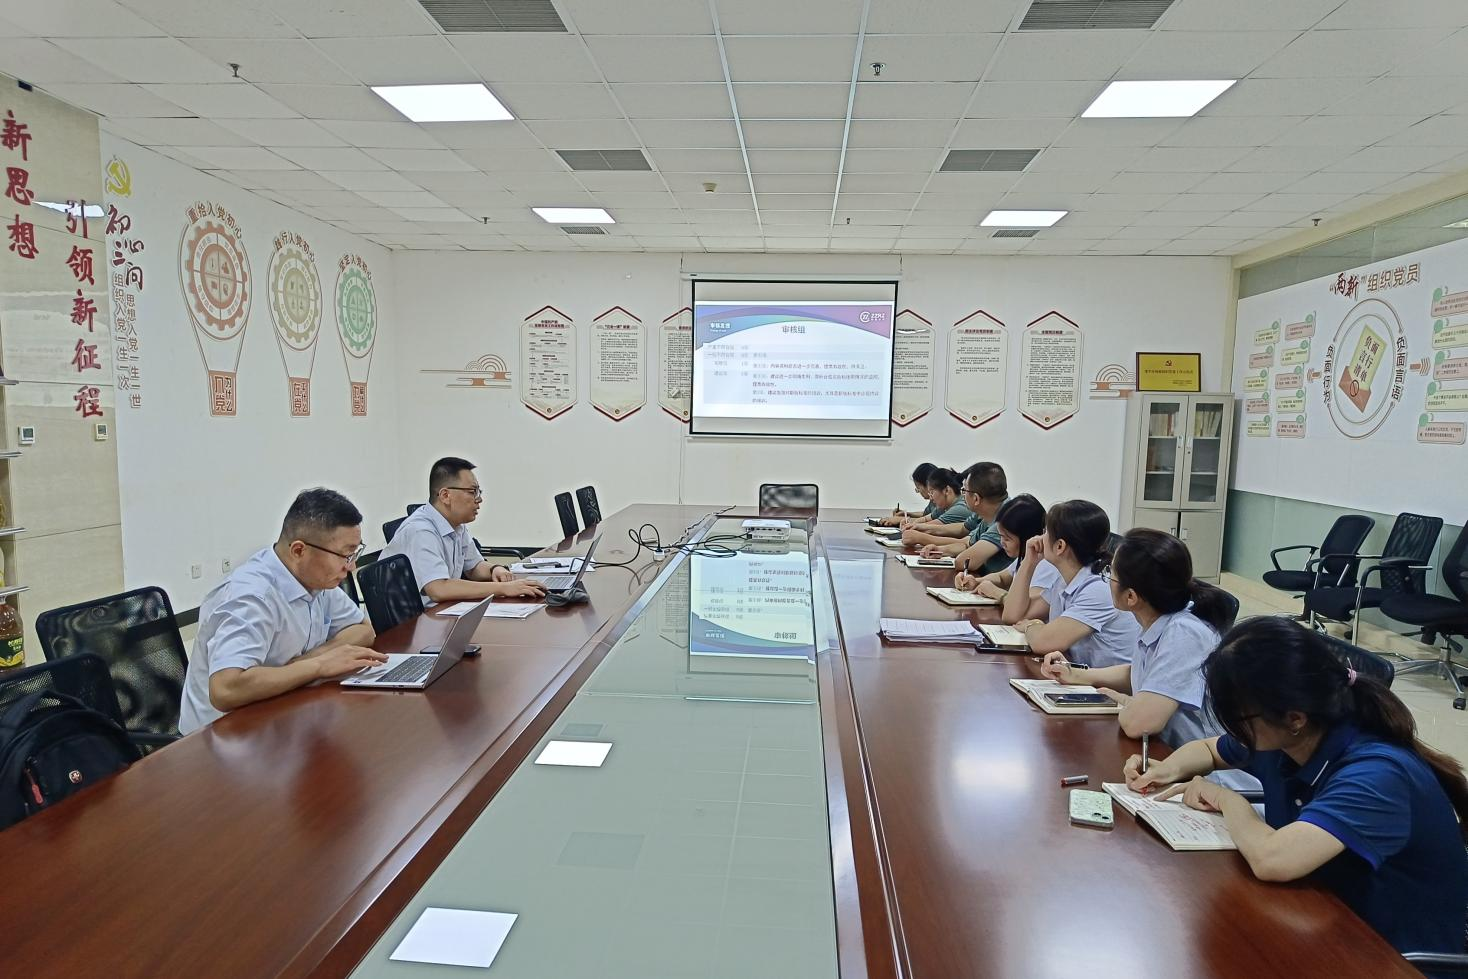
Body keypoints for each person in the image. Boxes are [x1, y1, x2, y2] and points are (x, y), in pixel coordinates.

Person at [1127, 617, 1468, 963]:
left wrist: (1227, 799)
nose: (1234, 731)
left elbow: (1273, 860)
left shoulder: (1376, 775)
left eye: (1239, 718)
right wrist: (1165, 769)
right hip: (1319, 918)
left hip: (1392, 957)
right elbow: (1209, 750)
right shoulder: (1288, 736)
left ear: (1295, 718)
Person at [179, 488, 385, 734]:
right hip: (222, 737)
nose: (351, 567)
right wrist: (319, 666)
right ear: (299, 551)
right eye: (345, 555)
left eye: (354, 553)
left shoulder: (316, 578)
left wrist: (309, 661)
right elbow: (225, 689)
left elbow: (363, 630)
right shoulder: (251, 597)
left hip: (285, 713)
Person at [1041, 528, 1235, 743]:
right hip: (1163, 750)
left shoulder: (1185, 633)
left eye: (1110, 573)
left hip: (1195, 761)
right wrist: (1078, 675)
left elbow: (1138, 725)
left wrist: (1127, 703)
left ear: (1131, 596)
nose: (1107, 579)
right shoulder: (1158, 619)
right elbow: (1142, 672)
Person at [383, 456, 546, 606]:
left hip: (442, 610)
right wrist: (503, 588)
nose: (479, 499)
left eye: (478, 492)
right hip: (412, 621)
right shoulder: (420, 530)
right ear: (445, 495)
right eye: (472, 492)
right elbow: (438, 589)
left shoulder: (456, 525)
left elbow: (473, 567)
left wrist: (494, 569)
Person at [1011, 500, 1138, 667]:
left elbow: (1043, 642)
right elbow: (1015, 615)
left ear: (1060, 546)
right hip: (1080, 675)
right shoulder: (1065, 578)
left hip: (1103, 681)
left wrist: (1032, 625)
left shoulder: (1099, 587)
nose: (1040, 538)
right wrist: (1029, 562)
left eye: (1045, 532)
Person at [953, 494, 1061, 623]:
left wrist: (997, 593)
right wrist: (975, 581)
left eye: (1007, 538)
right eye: (1000, 536)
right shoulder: (1026, 556)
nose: (1002, 543)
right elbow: (1002, 577)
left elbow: (1022, 612)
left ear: (1027, 537)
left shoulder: (1045, 566)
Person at [918, 462, 1011, 571]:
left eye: (964, 490)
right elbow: (967, 543)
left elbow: (964, 562)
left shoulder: (1006, 519)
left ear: (976, 498)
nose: (962, 495)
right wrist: (939, 550)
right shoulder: (990, 511)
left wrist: (921, 537)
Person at [898, 466, 973, 547]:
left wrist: (919, 535)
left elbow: (932, 528)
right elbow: (926, 520)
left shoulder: (960, 508)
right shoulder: (945, 505)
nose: (930, 497)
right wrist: (913, 524)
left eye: (932, 492)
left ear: (946, 490)